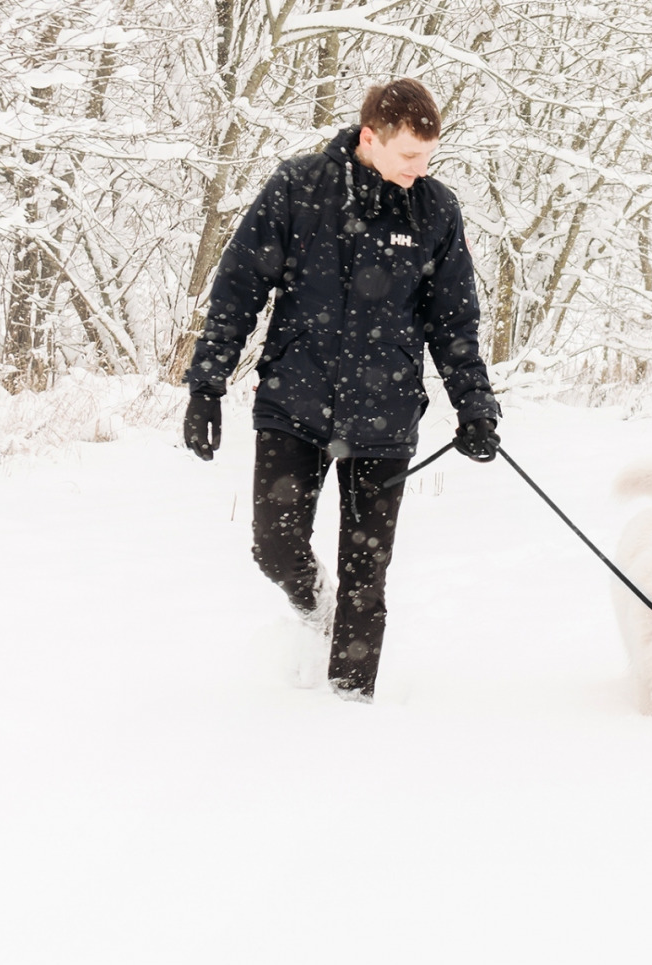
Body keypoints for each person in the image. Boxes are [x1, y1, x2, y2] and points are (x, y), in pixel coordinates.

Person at [182, 78, 502, 701]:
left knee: (367, 577)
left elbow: (454, 322)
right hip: (293, 404)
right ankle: (314, 608)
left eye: (427, 158)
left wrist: (475, 406)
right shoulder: (299, 188)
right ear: (369, 138)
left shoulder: (436, 209)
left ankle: (350, 710)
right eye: (407, 155)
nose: (418, 170)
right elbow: (238, 288)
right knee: (275, 547)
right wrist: (206, 384)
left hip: (383, 419)